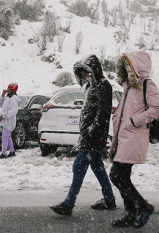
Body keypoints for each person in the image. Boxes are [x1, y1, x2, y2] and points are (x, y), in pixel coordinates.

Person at [50, 54, 116, 216]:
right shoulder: (89, 87)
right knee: (98, 167)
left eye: (87, 72)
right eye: (82, 74)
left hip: (94, 136)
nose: (85, 76)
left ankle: (69, 203)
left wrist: (92, 131)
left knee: (79, 166)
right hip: (87, 135)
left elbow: (103, 113)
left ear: (94, 70)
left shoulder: (103, 85)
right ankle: (109, 199)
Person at [108, 51, 159, 228]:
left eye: (128, 65)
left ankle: (143, 206)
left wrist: (134, 121)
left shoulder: (147, 84)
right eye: (123, 65)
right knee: (122, 176)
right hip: (123, 137)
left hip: (134, 136)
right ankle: (130, 214)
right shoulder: (129, 86)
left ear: (136, 66)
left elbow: (157, 108)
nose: (125, 68)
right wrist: (118, 114)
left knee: (117, 175)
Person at [0, 82, 20, 159]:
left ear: (12, 89)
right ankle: (12, 151)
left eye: (8, 87)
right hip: (6, 121)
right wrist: (2, 95)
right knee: (8, 137)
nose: (7, 89)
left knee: (5, 137)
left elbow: (13, 111)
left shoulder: (13, 99)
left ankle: (3, 153)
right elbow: (0, 104)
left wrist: (3, 116)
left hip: (9, 122)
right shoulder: (8, 98)